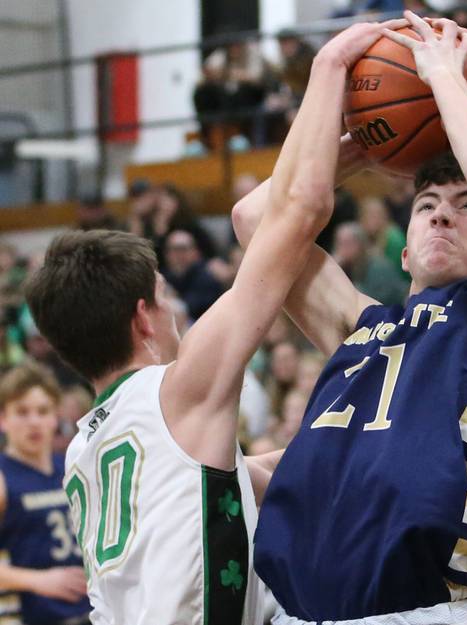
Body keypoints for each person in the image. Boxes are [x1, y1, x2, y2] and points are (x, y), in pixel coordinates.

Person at [21, 19, 402, 624]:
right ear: (143, 316)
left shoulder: (86, 448)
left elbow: (247, 480)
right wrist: (329, 72)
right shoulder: (178, 390)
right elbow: (295, 215)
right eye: (165, 295)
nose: (177, 312)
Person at [232, 11, 467, 624]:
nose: (442, 215)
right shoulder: (358, 323)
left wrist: (444, 78)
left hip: (414, 611)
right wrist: (360, 143)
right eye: (428, 204)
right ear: (405, 248)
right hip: (294, 611)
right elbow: (256, 219)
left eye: (465, 209)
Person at [0, 363, 91, 625]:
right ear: (3, 419)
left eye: (42, 411)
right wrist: (39, 580)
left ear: (55, 417)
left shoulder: (72, 467)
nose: (34, 422)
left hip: (91, 613)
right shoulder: (4, 477)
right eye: (22, 412)